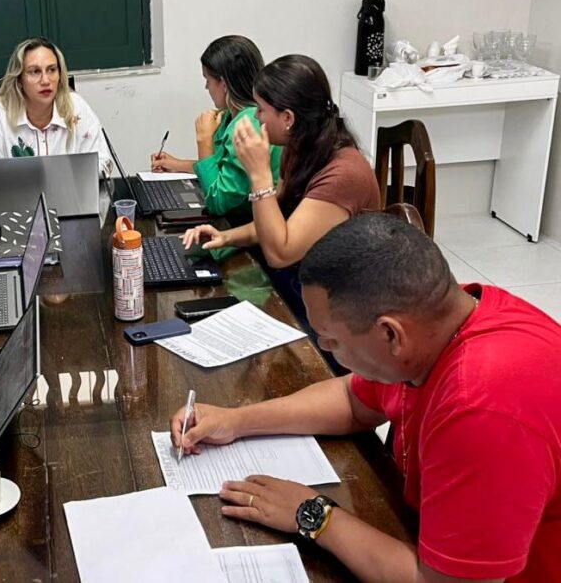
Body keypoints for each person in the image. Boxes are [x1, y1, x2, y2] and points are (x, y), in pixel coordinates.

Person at [171, 214, 561, 583]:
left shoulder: (482, 408)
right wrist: (236, 421)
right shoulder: (438, 324)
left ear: (390, 334)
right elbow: (353, 399)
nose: (324, 347)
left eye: (331, 340)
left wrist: (315, 515)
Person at [182, 54, 380, 358]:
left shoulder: (343, 173)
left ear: (288, 118)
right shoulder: (299, 149)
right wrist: (226, 237)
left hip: (340, 312)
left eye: (261, 109)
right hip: (304, 284)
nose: (256, 117)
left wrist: (259, 174)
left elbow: (280, 253)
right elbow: (279, 221)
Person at [150, 35, 281, 219]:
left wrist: (203, 139)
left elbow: (217, 202)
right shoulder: (230, 115)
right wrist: (175, 164)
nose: (206, 87)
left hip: (245, 224)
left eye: (208, 80)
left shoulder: (247, 127)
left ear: (224, 84)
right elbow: (222, 169)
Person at [0, 37, 112, 176]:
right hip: (17, 190)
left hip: (72, 189)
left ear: (60, 75)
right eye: (34, 71)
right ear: (19, 79)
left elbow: (103, 161)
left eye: (52, 70)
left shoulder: (76, 106)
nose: (45, 80)